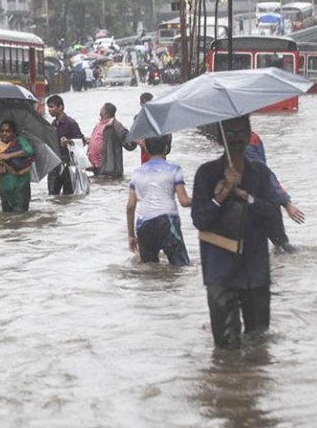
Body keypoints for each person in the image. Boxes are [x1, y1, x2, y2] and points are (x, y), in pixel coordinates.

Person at [191, 115, 281, 349]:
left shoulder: (260, 173)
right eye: (230, 132)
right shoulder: (206, 174)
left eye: (241, 131)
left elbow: (273, 213)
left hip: (255, 271)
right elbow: (199, 220)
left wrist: (247, 197)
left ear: (249, 133)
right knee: (225, 349)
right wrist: (221, 195)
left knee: (259, 345)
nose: (236, 137)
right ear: (220, 138)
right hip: (220, 273)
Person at [126, 135, 191, 266]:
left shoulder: (137, 173)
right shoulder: (174, 169)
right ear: (166, 148)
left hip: (144, 225)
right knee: (181, 266)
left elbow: (130, 207)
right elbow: (184, 201)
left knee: (150, 269)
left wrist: (131, 235)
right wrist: (207, 197)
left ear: (147, 150)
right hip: (167, 221)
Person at [244, 131, 305, 253]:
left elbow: (264, 173)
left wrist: (286, 203)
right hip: (261, 199)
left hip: (260, 200)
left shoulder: (246, 144)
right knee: (279, 247)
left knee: (281, 247)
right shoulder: (252, 137)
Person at [0, 120, 35, 213]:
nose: (4, 133)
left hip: (20, 188)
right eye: (2, 131)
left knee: (20, 216)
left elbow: (29, 151)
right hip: (5, 190)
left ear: (14, 132)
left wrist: (10, 155)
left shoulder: (20, 141)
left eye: (8, 131)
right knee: (6, 217)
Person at [46, 95, 85, 195]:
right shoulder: (53, 124)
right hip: (55, 164)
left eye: (52, 107)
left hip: (68, 164)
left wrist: (69, 141)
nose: (49, 110)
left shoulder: (71, 123)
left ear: (60, 107)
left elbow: (81, 142)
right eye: (48, 107)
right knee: (52, 195)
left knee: (69, 195)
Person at [87, 102, 136, 178]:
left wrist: (134, 138)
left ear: (106, 112)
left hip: (109, 170)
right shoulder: (99, 124)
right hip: (96, 169)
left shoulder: (116, 125)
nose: (100, 111)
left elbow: (130, 145)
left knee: (110, 187)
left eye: (102, 109)